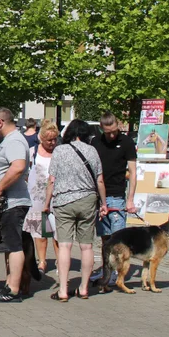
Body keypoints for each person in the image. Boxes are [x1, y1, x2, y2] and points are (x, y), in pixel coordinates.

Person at [45, 119, 106, 301]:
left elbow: (51, 180)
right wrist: (103, 203)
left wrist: (46, 202)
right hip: (87, 199)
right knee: (86, 246)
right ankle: (84, 288)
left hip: (64, 200)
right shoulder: (92, 151)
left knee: (64, 245)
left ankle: (63, 289)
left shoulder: (59, 151)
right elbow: (100, 180)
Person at [0, 108, 31, 303]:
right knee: (8, 244)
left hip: (12, 201)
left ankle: (13, 289)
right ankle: (10, 283)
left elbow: (18, 166)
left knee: (13, 245)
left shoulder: (14, 140)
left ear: (0, 122)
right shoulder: (11, 140)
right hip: (7, 201)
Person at [92, 112, 138, 239]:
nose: (112, 135)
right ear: (101, 128)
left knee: (118, 239)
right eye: (107, 133)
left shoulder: (126, 142)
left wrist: (130, 200)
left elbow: (133, 172)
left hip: (117, 195)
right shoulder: (95, 142)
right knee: (105, 239)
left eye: (114, 131)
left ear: (117, 125)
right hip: (99, 197)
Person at [25, 121, 59, 275]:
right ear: (41, 139)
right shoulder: (32, 151)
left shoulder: (59, 152)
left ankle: (60, 261)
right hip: (37, 196)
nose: (52, 143)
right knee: (40, 231)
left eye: (54, 140)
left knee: (57, 232)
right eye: (49, 140)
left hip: (56, 195)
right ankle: (42, 261)